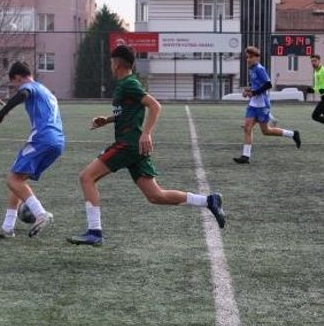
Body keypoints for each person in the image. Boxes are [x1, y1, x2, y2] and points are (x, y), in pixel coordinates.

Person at [67, 45, 226, 247]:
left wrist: (147, 132)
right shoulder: (127, 84)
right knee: (155, 195)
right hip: (133, 146)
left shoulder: (128, 84)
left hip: (128, 144)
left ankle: (94, 231)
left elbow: (154, 105)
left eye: (111, 62)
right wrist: (107, 120)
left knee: (86, 177)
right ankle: (208, 201)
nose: (110, 66)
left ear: (116, 64)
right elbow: (127, 112)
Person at [0, 61, 65, 239]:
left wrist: (0, 115)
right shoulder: (45, 90)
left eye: (14, 83)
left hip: (42, 139)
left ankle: (40, 213)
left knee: (12, 180)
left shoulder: (29, 87)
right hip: (57, 141)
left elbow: (23, 93)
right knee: (18, 178)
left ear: (18, 78)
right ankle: (7, 227)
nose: (15, 87)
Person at [233, 46, 301, 164]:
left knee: (266, 131)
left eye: (250, 57)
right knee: (247, 128)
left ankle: (293, 134)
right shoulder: (252, 69)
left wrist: (254, 92)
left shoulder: (259, 68)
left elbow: (268, 84)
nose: (248, 59)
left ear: (257, 58)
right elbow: (255, 84)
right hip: (253, 105)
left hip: (262, 105)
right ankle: (245, 156)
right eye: (247, 57)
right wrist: (248, 91)